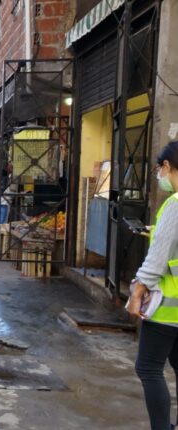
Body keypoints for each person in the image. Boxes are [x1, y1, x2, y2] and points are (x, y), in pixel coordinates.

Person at [127, 140, 178, 430]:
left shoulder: (175, 204)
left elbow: (159, 258)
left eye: (160, 169)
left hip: (168, 308)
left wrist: (137, 291)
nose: (160, 175)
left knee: (148, 367)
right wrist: (157, 232)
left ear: (168, 167)